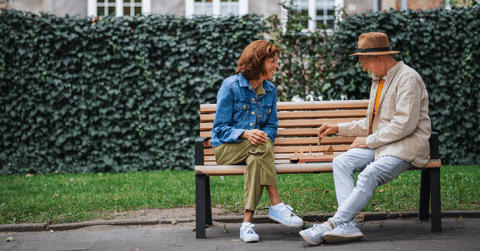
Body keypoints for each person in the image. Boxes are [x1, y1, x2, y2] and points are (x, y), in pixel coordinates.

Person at [299, 32, 431, 245]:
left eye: (364, 61)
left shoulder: (408, 78)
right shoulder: (379, 80)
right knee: (341, 161)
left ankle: (332, 224)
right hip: (384, 144)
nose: (363, 67)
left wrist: (368, 141)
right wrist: (338, 128)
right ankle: (348, 225)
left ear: (378, 57)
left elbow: (404, 124)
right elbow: (372, 123)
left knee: (368, 175)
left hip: (405, 147)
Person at [211, 40, 304, 243]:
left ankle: (246, 224)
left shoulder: (269, 90)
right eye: (272, 61)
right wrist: (245, 133)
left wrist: (261, 137)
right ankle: (276, 203)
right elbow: (219, 130)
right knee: (260, 146)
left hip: (255, 151)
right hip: (226, 149)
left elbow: (271, 127)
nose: (276, 65)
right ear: (258, 62)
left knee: (257, 156)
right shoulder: (231, 86)